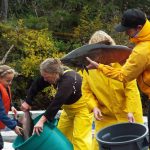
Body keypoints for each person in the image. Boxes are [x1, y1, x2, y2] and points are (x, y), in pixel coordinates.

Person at [81, 30, 143, 150]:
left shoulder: (124, 64)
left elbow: (132, 90)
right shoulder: (88, 69)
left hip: (128, 115)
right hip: (105, 117)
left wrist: (131, 111)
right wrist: (94, 107)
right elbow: (86, 91)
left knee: (135, 145)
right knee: (99, 146)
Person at [21, 58, 94, 150]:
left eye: (46, 77)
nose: (45, 79)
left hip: (83, 109)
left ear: (55, 73)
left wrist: (42, 120)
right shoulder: (52, 75)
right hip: (68, 110)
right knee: (60, 135)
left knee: (80, 138)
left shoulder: (69, 79)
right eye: (44, 76)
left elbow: (57, 101)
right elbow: (37, 84)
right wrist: (28, 101)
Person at [0, 65, 22, 149]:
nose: (10, 83)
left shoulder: (4, 87)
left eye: (11, 80)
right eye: (8, 81)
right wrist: (14, 126)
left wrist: (11, 107)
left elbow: (5, 100)